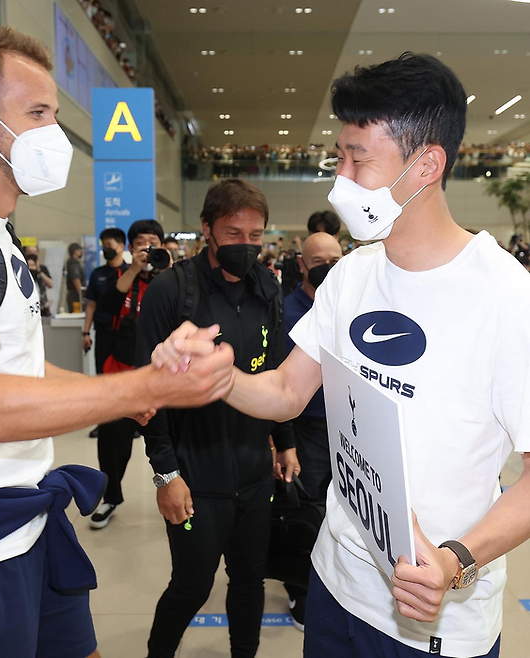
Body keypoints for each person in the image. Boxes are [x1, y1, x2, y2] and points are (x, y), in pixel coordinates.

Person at [0, 25, 235, 658]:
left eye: (55, 116)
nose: (55, 133)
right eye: (37, 114)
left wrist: (121, 395)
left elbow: (19, 367)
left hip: (30, 521)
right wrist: (148, 384)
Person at [153, 53, 530, 658]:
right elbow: (285, 391)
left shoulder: (506, 297)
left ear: (426, 166)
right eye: (340, 157)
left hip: (431, 619)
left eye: (359, 159)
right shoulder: (353, 274)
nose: (341, 179)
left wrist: (457, 559)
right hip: (336, 581)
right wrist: (212, 376)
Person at [136, 179, 300, 658]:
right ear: (206, 229)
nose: (245, 246)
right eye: (233, 235)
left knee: (249, 580)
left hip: (252, 471)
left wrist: (284, 439)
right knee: (191, 584)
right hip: (194, 472)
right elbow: (147, 392)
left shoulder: (266, 287)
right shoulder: (172, 291)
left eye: (255, 236)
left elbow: (275, 367)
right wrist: (167, 474)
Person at [89, 220, 170, 529]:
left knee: (174, 440)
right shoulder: (119, 276)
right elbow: (107, 306)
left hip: (164, 378)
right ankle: (110, 496)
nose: (147, 248)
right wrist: (135, 270)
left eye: (153, 242)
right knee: (113, 442)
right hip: (121, 375)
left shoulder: (173, 279)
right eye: (141, 243)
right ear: (131, 248)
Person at [280, 231, 342, 631]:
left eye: (335, 259)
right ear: (302, 264)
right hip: (306, 428)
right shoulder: (288, 310)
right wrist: (281, 442)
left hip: (345, 426)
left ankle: (335, 582)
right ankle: (299, 586)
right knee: (306, 508)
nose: (328, 267)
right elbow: (279, 383)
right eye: (319, 261)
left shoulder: (349, 301)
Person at [81, 227, 128, 371]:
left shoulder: (130, 273)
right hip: (103, 333)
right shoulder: (97, 274)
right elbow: (91, 305)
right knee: (102, 371)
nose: (105, 248)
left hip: (126, 333)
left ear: (120, 247)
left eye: (109, 245)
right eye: (103, 245)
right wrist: (86, 332)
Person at [25, 248, 54, 317]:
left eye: (34, 252)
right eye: (29, 251)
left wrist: (39, 271)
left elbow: (51, 284)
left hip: (42, 308)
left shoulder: (42, 269)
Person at [66, 242, 85, 312]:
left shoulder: (70, 262)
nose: (81, 252)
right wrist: (82, 296)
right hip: (75, 296)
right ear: (75, 251)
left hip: (74, 295)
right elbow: (76, 280)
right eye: (80, 250)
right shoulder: (73, 263)